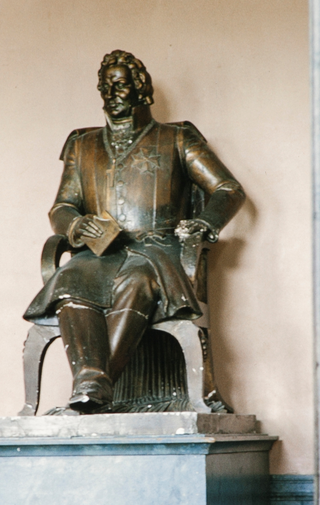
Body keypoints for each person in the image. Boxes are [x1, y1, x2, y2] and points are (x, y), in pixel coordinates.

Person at [24, 50, 247, 413]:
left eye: (121, 85)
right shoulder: (82, 145)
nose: (112, 93)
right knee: (67, 280)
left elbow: (227, 190)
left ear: (141, 90)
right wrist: (78, 225)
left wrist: (205, 224)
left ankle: (93, 386)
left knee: (137, 279)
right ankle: (95, 385)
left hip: (158, 249)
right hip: (100, 252)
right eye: (105, 87)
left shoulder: (177, 137)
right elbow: (61, 207)